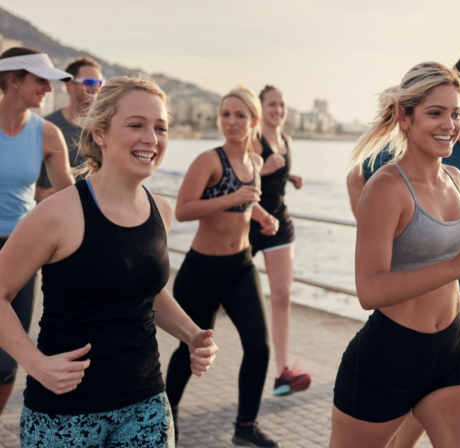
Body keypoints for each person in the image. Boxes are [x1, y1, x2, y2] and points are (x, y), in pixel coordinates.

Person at [0, 75, 219, 447]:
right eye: (136, 125)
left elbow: (145, 289)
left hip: (145, 405)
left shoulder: (159, 210)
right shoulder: (56, 214)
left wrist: (191, 335)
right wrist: (35, 364)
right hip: (64, 414)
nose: (151, 138)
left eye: (160, 127)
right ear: (99, 134)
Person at [345, 53, 460, 447]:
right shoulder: (385, 187)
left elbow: (430, 259)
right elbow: (370, 291)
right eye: (435, 113)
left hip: (449, 352)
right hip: (388, 358)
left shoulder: (456, 179)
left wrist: (450, 296)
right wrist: (456, 269)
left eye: (455, 113)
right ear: (405, 118)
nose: (449, 125)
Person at [165, 86, 281, 448]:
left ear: (254, 121)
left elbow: (246, 203)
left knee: (259, 347)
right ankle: (166, 416)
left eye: (239, 115)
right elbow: (183, 209)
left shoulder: (257, 163)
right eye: (225, 114)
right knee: (190, 349)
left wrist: (263, 217)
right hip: (202, 271)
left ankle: (245, 425)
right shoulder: (209, 160)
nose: (231, 122)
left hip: (241, 267)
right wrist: (233, 197)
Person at [0, 47, 74, 418]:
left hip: (20, 247)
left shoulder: (48, 133)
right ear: (13, 81)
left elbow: (70, 196)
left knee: (5, 360)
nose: (48, 87)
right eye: (40, 79)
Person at [248, 85, 310, 397]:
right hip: (249, 223)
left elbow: (273, 181)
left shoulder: (285, 140)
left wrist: (287, 177)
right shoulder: (253, 141)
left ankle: (283, 373)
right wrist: (264, 169)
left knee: (283, 296)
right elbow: (241, 182)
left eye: (282, 104)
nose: (278, 110)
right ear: (260, 109)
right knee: (216, 295)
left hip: (279, 224)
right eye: (272, 105)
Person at [35, 56, 104, 201]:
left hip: (92, 212)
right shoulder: (46, 126)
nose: (96, 87)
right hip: (52, 209)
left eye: (100, 82)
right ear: (69, 85)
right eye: (89, 82)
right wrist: (39, 193)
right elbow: (21, 172)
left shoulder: (105, 129)